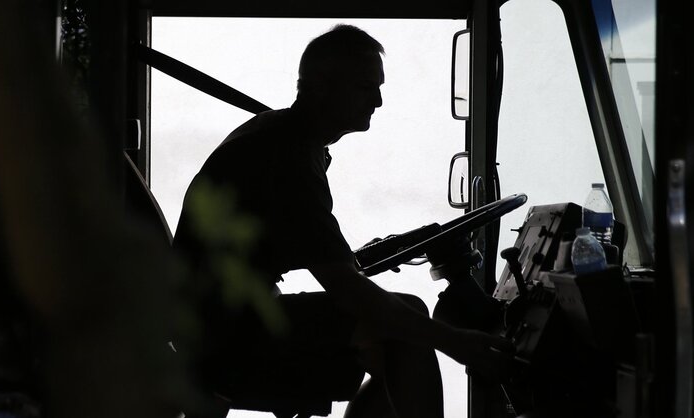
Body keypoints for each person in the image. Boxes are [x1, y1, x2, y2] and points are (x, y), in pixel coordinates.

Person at [173, 24, 512, 418]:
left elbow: (318, 259)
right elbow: (347, 289)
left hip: (216, 325)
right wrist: (457, 341)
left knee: (385, 329)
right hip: (224, 338)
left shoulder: (286, 139)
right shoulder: (290, 155)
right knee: (407, 321)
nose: (379, 101)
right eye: (366, 87)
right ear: (320, 86)